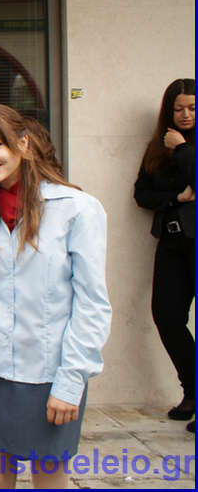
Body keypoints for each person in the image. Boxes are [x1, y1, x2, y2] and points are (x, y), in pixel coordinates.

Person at [0, 103, 112, 487]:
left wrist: (71, 382)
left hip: (50, 375)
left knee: (49, 482)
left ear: (23, 143)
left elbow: (92, 304)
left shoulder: (77, 209)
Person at [133, 78, 195, 430]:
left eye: (192, 108)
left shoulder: (181, 147)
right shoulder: (158, 147)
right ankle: (192, 390)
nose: (185, 115)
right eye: (178, 108)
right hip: (172, 243)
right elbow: (141, 194)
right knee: (167, 316)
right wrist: (176, 198)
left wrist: (183, 149)